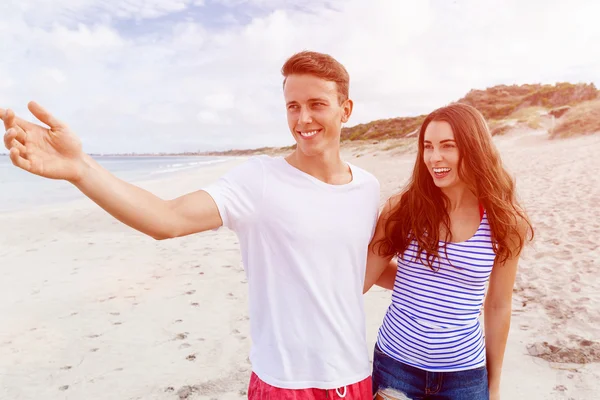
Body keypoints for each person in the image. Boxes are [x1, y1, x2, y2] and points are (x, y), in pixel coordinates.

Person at [2, 51, 380, 399]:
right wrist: (80, 169)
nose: (303, 119)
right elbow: (168, 219)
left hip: (354, 374)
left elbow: (353, 274)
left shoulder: (367, 188)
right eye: (293, 106)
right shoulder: (259, 180)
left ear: (345, 110)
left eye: (317, 105)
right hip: (285, 382)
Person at [363, 103, 533, 400]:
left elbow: (497, 306)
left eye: (447, 146)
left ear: (475, 148)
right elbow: (363, 278)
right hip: (396, 365)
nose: (434, 157)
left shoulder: (505, 221)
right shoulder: (402, 209)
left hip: (464, 375)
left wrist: (494, 385)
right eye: (427, 146)